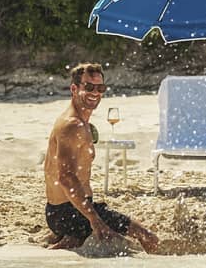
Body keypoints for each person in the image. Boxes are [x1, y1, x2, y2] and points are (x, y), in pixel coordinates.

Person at [44, 63, 160, 254]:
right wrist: (96, 220)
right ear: (74, 89)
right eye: (88, 87)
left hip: (64, 212)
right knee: (149, 239)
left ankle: (70, 238)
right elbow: (65, 177)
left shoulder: (80, 122)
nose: (95, 93)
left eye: (100, 88)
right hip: (70, 213)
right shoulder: (72, 125)